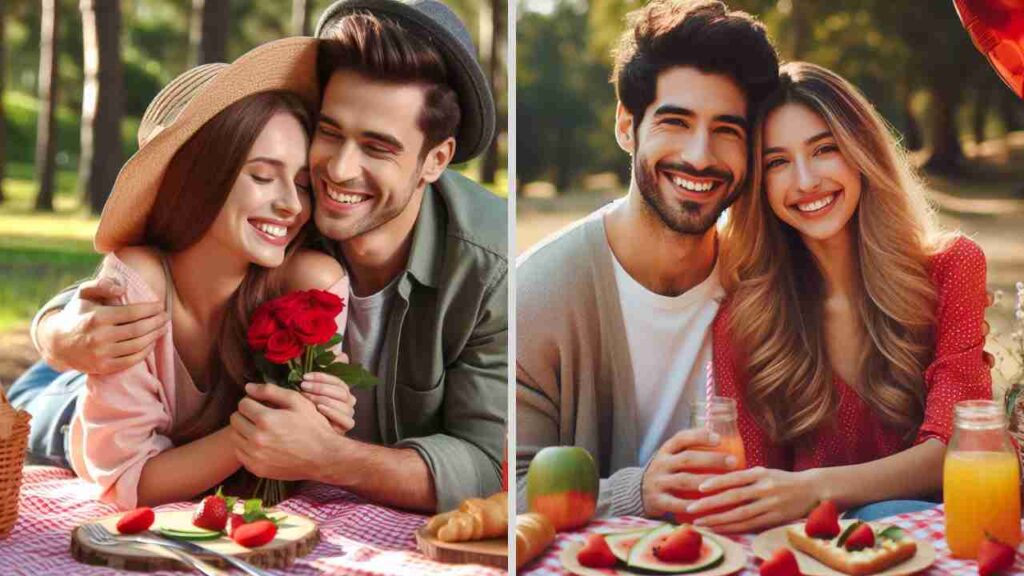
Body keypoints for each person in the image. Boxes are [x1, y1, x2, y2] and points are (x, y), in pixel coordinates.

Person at [23, 0, 506, 513]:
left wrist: (327, 455)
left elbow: (485, 462)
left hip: (195, 440)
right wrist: (53, 332)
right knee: (46, 403)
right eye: (331, 131)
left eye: (378, 148)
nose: (338, 172)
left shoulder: (488, 270)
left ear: (435, 159)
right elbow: (157, 257)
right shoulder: (298, 211)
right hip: (93, 407)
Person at [9, 38, 359, 509]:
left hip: (144, 407)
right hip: (65, 413)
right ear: (200, 178)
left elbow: (295, 457)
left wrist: (318, 429)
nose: (291, 205)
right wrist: (253, 436)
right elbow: (126, 483)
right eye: (261, 176)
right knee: (34, 402)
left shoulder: (309, 285)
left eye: (300, 182)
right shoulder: (141, 278)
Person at [685, 62, 992, 532]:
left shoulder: (952, 268)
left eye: (824, 149)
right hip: (810, 551)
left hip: (936, 542)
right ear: (759, 185)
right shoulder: (743, 320)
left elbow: (958, 446)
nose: (805, 181)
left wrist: (815, 487)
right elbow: (751, 489)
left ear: (861, 151)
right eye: (777, 162)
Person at [516, 0, 779, 518]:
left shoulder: (763, 287)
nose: (701, 156)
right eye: (675, 122)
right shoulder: (539, 294)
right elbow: (507, 489)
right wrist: (633, 494)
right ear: (626, 126)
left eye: (727, 130)